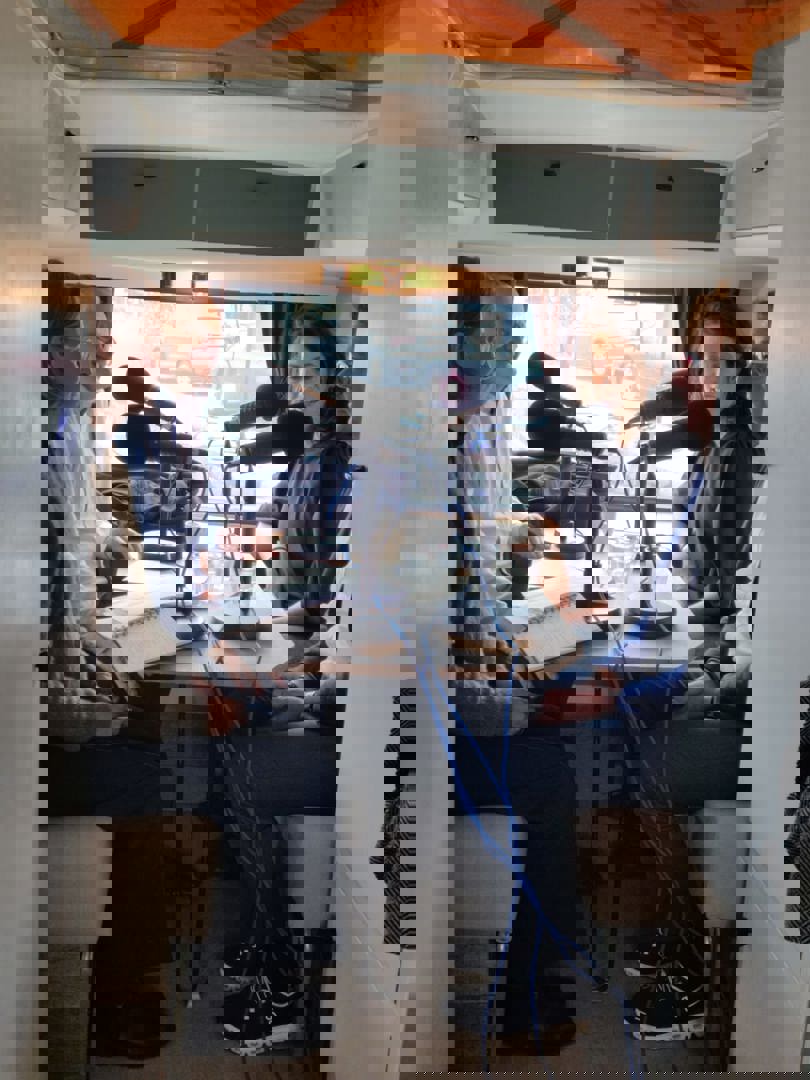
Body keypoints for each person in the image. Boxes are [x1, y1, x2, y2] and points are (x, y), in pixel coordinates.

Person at [616, 288, 763, 1042]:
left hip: (753, 703)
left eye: (716, 358)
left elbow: (736, 588)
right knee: (631, 712)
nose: (701, 374)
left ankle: (689, 966)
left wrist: (705, 678)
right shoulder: (721, 447)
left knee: (657, 775)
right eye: (699, 358)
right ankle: (664, 919)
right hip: (718, 665)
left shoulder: (749, 451)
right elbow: (707, 574)